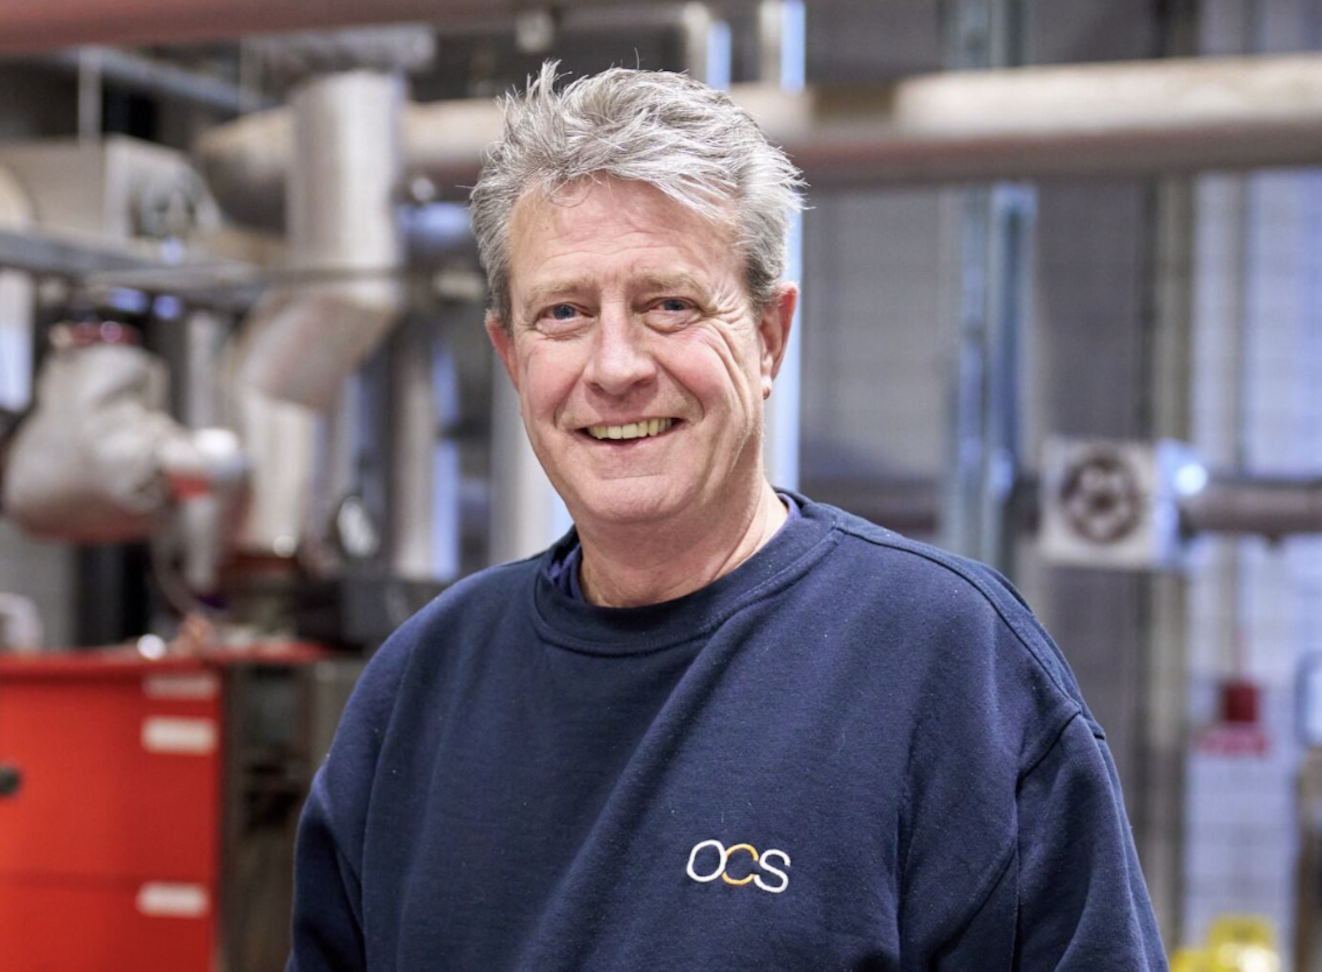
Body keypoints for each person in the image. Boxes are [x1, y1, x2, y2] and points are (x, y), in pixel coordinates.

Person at [288, 62, 1167, 971]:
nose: (617, 365)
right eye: (566, 312)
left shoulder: (948, 666)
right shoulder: (419, 690)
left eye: (670, 304)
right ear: (511, 356)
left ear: (769, 338)